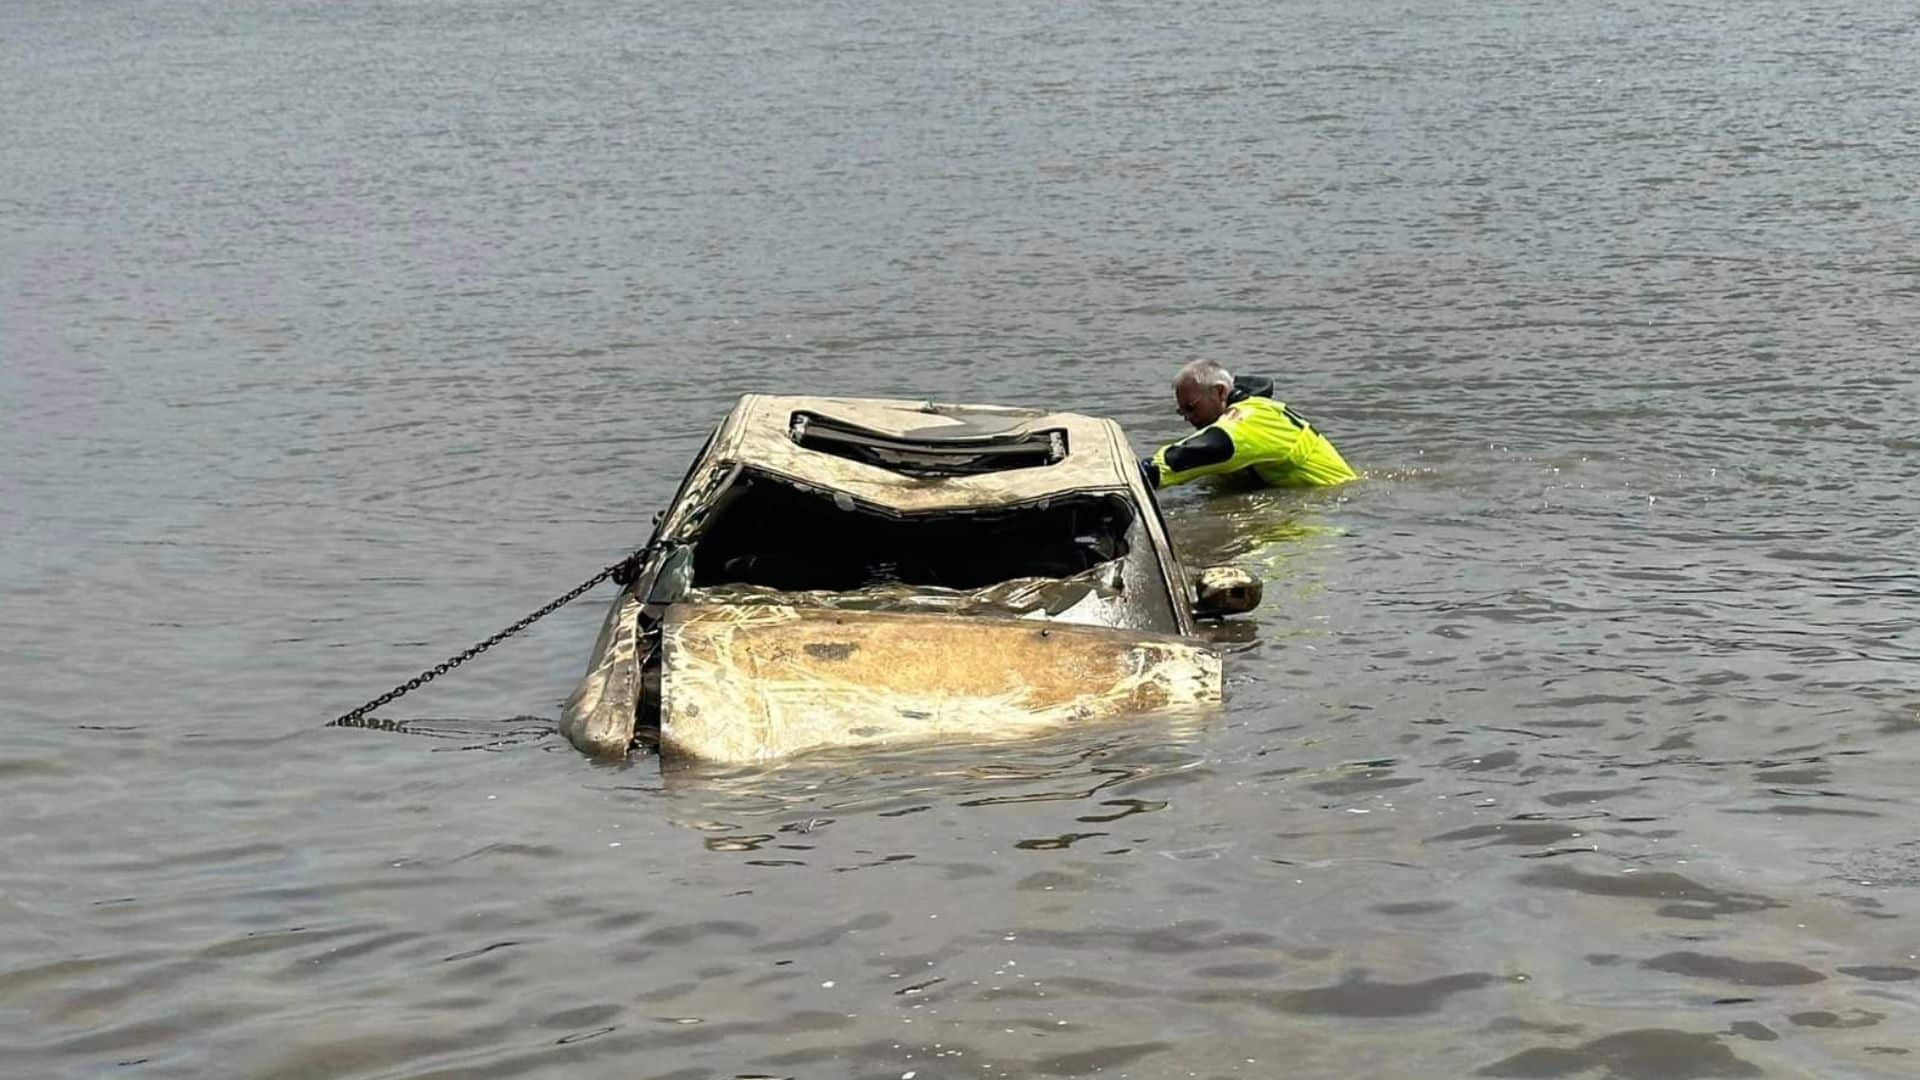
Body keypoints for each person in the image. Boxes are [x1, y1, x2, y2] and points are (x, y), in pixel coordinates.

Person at [1140, 359, 1356, 490]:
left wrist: (1148, 470)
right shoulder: (1256, 409)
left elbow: (1208, 447)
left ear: (1220, 392)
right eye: (1181, 412)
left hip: (1330, 507)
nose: (1187, 417)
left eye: (1191, 407)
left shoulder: (1250, 419)